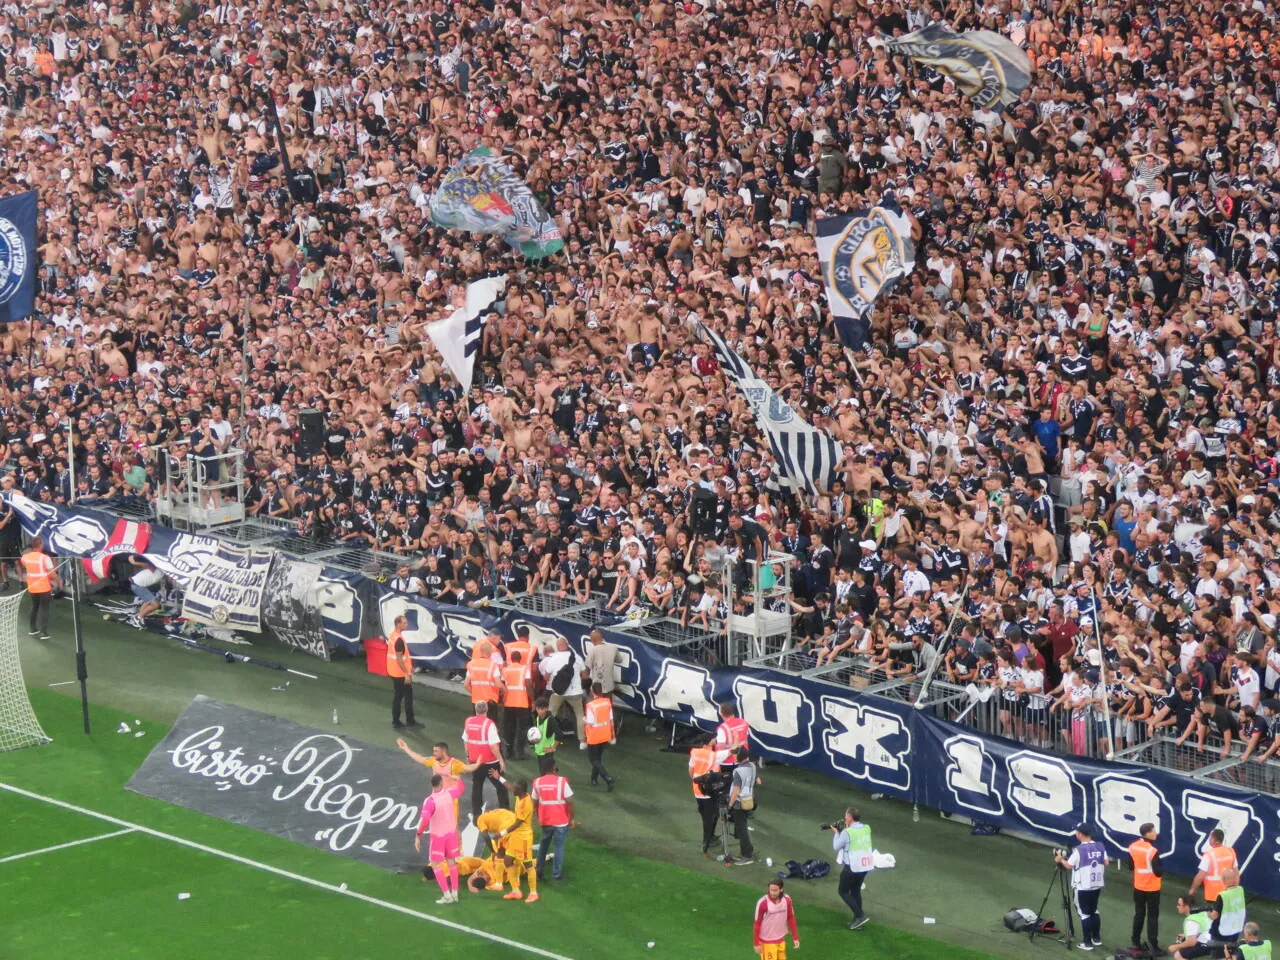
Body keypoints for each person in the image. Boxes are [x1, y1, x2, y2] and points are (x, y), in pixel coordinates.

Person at [413, 774, 467, 904]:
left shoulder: (430, 801)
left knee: (436, 865)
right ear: (441, 784)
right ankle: (455, 894)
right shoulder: (449, 794)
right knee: (451, 862)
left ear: (431, 785)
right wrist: (458, 779)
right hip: (451, 834)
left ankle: (447, 896)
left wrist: (418, 835)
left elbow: (425, 819)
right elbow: (461, 789)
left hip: (438, 837)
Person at [1055, 823, 1109, 951]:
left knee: (1084, 914)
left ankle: (1087, 943)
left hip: (1082, 887)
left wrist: (1060, 859)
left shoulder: (1079, 850)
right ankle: (1096, 939)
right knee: (1094, 911)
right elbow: (1106, 862)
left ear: (1080, 834)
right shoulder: (1100, 846)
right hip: (1096, 885)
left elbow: (1068, 866)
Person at [486, 772, 540, 902]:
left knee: (527, 864)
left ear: (520, 790)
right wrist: (499, 777)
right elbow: (509, 787)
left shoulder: (525, 803)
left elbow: (517, 823)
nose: (512, 789)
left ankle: (534, 893)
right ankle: (516, 891)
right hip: (517, 837)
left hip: (524, 837)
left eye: (515, 788)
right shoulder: (519, 795)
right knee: (508, 860)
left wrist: (502, 833)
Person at [475, 801, 537, 902]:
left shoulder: (480, 820)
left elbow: (485, 836)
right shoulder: (494, 814)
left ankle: (500, 884)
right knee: (509, 859)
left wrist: (492, 851)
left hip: (514, 831)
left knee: (502, 855)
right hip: (515, 829)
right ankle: (516, 887)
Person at [462, 702, 508, 821]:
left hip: (475, 762)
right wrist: (501, 761)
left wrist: (468, 756)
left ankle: (476, 813)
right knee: (501, 785)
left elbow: (466, 741)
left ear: (475, 710)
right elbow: (493, 746)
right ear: (487, 710)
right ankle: (505, 811)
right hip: (491, 762)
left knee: (477, 786)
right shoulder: (489, 724)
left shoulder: (469, 722)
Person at [531, 761, 576, 882]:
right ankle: (557, 875)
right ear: (554, 768)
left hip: (545, 820)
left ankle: (539, 872)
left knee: (543, 845)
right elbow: (570, 801)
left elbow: (533, 800)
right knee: (559, 847)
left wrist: (536, 811)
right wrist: (572, 818)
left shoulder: (538, 782)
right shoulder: (562, 782)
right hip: (561, 820)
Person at [831, 807, 873, 930]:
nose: (844, 818)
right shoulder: (867, 828)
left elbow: (836, 846)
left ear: (849, 817)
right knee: (855, 891)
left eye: (846, 816)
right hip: (864, 867)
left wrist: (837, 833)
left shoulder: (847, 833)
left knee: (843, 891)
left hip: (852, 867)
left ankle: (860, 916)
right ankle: (858, 921)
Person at [540, 638, 587, 746]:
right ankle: (582, 741)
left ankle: (545, 738)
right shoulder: (577, 657)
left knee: (550, 714)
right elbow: (585, 676)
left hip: (558, 692)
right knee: (579, 714)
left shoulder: (553, 659)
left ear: (557, 647)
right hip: (575, 692)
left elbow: (546, 677)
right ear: (567, 645)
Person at [1128, 822, 1164, 953]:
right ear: (1148, 833)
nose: (1156, 833)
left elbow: (1131, 866)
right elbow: (1158, 871)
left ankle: (1135, 941)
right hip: (1153, 888)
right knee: (1152, 916)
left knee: (1139, 913)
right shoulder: (1152, 851)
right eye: (1154, 831)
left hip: (1138, 886)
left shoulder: (1132, 847)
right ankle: (1153, 945)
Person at [20, 536, 60, 640]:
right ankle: (43, 633)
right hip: (43, 588)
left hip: (32, 588)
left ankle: (32, 629)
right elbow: (53, 574)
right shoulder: (45, 558)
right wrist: (59, 582)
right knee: (44, 609)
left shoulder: (25, 557)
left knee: (34, 607)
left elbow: (24, 563)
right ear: (40, 545)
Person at [385, 615, 420, 730]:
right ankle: (410, 721)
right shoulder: (399, 640)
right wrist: (406, 674)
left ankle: (396, 720)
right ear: (398, 624)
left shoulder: (393, 636)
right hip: (401, 674)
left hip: (394, 672)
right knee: (407, 697)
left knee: (398, 696)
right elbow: (400, 659)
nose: (407, 625)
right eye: (404, 623)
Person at [752, 879, 799, 960]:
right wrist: (756, 942)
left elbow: (791, 918)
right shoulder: (763, 902)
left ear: (781, 889)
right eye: (771, 890)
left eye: (775, 890)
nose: (772, 892)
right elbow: (757, 923)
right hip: (766, 940)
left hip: (780, 938)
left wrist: (795, 937)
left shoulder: (787, 900)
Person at [689, 736, 721, 856]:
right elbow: (717, 775)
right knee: (709, 819)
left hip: (697, 790)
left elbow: (691, 770)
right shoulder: (714, 756)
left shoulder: (695, 752)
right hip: (708, 792)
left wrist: (694, 780)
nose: (715, 740)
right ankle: (706, 843)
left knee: (704, 815)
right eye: (713, 739)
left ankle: (709, 838)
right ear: (709, 742)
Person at [726, 746, 756, 866]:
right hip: (750, 800)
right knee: (742, 827)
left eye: (735, 754)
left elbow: (736, 790)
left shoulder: (738, 771)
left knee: (742, 829)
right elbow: (758, 781)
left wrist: (730, 805)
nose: (733, 756)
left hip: (740, 803)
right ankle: (747, 851)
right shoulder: (753, 766)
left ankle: (747, 855)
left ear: (739, 757)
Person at [502, 650, 535, 760]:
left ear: (511, 659)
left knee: (509, 728)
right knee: (522, 729)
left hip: (508, 703)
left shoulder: (506, 670)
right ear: (520, 659)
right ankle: (519, 753)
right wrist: (533, 701)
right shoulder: (525, 669)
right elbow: (528, 686)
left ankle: (509, 752)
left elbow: (502, 686)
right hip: (522, 703)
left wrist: (501, 701)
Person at [583, 681, 616, 790]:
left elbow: (591, 722)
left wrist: (584, 719)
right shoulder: (607, 702)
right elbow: (611, 719)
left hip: (594, 736)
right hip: (605, 735)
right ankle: (594, 778)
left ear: (592, 691)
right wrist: (613, 735)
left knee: (593, 759)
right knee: (598, 759)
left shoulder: (590, 705)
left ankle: (607, 777)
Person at [1191, 830, 1239, 904]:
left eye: (1210, 838)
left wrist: (1193, 889)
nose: (1209, 839)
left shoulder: (1209, 855)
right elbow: (1236, 872)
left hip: (1213, 894)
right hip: (1228, 892)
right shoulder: (1231, 851)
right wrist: (1234, 888)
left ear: (1214, 840)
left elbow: (1200, 876)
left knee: (1213, 914)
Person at [1168, 895, 1218, 960]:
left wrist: (1176, 946)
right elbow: (1203, 929)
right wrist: (1185, 935)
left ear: (1186, 907)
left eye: (1179, 905)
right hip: (1216, 940)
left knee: (1178, 955)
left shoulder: (1190, 920)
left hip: (1207, 945)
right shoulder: (1203, 912)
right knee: (1182, 940)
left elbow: (1192, 942)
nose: (1177, 906)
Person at [715, 702, 751, 775]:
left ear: (721, 714)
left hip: (728, 763)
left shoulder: (722, 728)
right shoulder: (744, 723)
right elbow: (745, 737)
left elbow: (720, 750)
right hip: (743, 759)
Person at [1214, 868, 1247, 945]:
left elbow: (1214, 916)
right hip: (1237, 928)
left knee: (1220, 954)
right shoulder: (1240, 890)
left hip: (1225, 931)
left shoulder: (1222, 895)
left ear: (1223, 879)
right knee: (1231, 950)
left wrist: (1208, 913)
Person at [127, 556, 165, 620]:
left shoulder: (161, 572)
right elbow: (146, 564)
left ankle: (139, 615)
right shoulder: (155, 569)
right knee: (155, 605)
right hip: (137, 586)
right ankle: (139, 617)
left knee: (147, 601)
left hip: (137, 585)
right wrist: (133, 562)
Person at [530, 696, 560, 774]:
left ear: (547, 708)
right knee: (542, 772)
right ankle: (554, 768)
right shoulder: (537, 718)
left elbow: (560, 735)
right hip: (539, 751)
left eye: (542, 709)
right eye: (538, 708)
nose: (539, 711)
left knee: (546, 773)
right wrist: (534, 740)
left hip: (547, 753)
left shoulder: (550, 719)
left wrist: (552, 748)